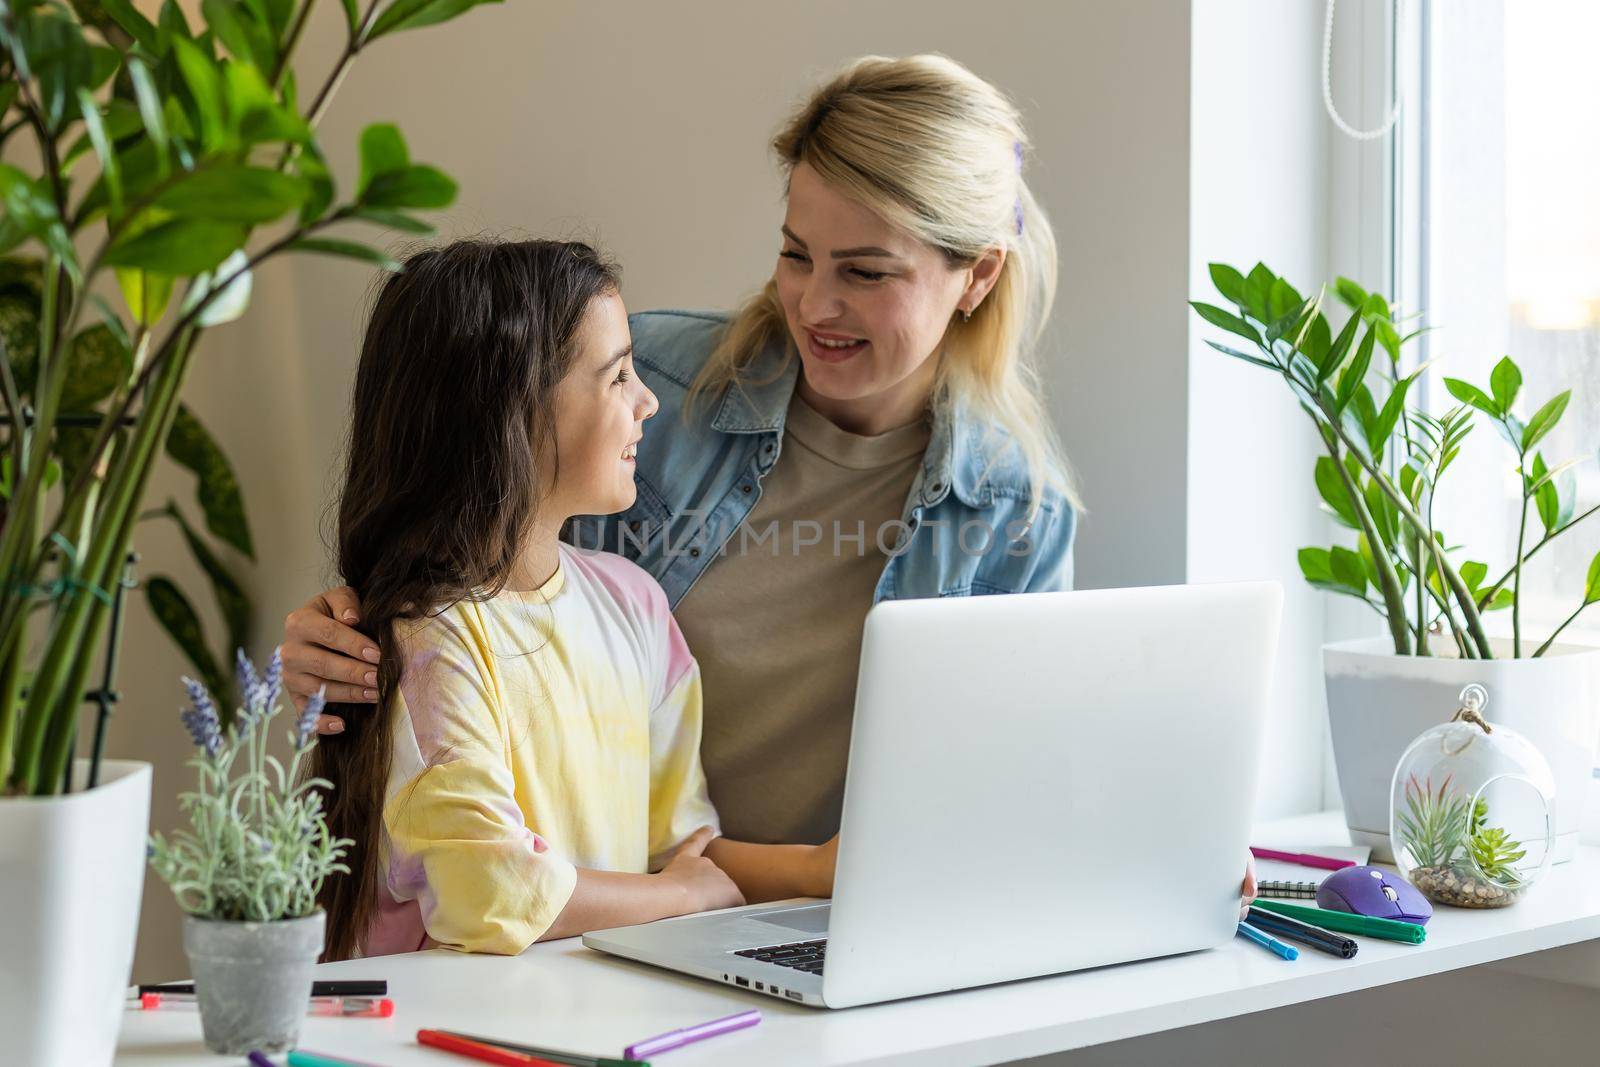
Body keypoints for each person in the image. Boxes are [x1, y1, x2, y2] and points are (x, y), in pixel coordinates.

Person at [286, 54, 1256, 908]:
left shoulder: (1014, 513)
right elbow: (470, 583)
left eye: (867, 271)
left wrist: (1152, 828)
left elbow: (1002, 791)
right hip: (585, 918)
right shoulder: (650, 384)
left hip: (794, 928)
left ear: (977, 276)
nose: (814, 302)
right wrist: (347, 636)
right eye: (796, 253)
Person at [313, 239, 836, 962]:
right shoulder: (432, 641)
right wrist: (685, 897)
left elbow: (678, 848)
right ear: (513, 415)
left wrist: (818, 869)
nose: (648, 401)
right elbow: (489, 892)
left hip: (595, 1012)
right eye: (618, 375)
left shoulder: (637, 606)